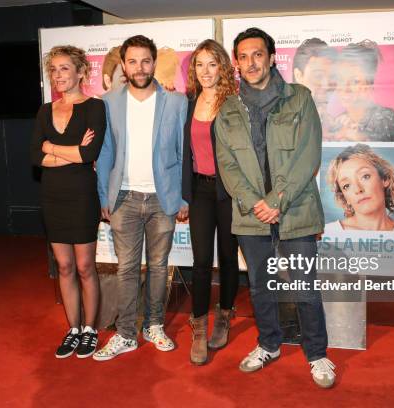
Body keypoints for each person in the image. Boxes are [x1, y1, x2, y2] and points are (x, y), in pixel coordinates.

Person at [215, 27, 336, 388]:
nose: (251, 62)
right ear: (236, 63)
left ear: (270, 57)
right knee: (259, 287)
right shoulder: (228, 109)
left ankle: (317, 354)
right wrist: (255, 203)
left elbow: (308, 154)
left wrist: (276, 199)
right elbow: (227, 164)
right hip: (251, 217)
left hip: (295, 212)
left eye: (257, 54)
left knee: (305, 288)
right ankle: (268, 343)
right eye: (243, 56)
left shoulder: (299, 98)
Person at [94, 35, 188, 361]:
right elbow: (106, 152)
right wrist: (102, 195)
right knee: (127, 269)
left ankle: (154, 325)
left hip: (163, 199)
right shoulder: (108, 102)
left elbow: (183, 152)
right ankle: (125, 334)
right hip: (124, 198)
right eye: (132, 61)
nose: (139, 67)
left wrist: (183, 197)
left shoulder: (176, 103)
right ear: (123, 65)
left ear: (153, 63)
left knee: (159, 266)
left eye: (145, 61)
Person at [30, 45, 106, 359]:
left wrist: (52, 146)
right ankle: (73, 328)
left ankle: (90, 329)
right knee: (63, 266)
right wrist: (69, 151)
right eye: (54, 69)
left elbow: (89, 154)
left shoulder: (95, 107)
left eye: (64, 68)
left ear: (81, 73)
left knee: (86, 266)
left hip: (82, 195)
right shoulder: (44, 111)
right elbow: (35, 157)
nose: (58, 75)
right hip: (52, 196)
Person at [182, 39, 239, 365]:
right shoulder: (188, 102)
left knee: (229, 258)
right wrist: (183, 195)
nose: (205, 71)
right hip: (200, 191)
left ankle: (226, 315)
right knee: (202, 260)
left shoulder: (234, 102)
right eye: (200, 64)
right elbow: (184, 151)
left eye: (212, 64)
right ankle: (199, 327)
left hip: (229, 191)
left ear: (222, 67)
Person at [332, 40, 394, 142]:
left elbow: (386, 154)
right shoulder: (337, 123)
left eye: (355, 81)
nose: (345, 88)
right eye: (340, 79)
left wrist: (352, 135)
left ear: (369, 84)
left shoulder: (386, 117)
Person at [325, 143, 394, 232]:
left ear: (385, 179)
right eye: (346, 186)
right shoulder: (328, 233)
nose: (358, 189)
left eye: (365, 176)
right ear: (345, 198)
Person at [292, 38, 337, 139]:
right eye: (318, 76)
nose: (326, 85)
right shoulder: (280, 122)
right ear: (298, 75)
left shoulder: (339, 125)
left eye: (332, 77)